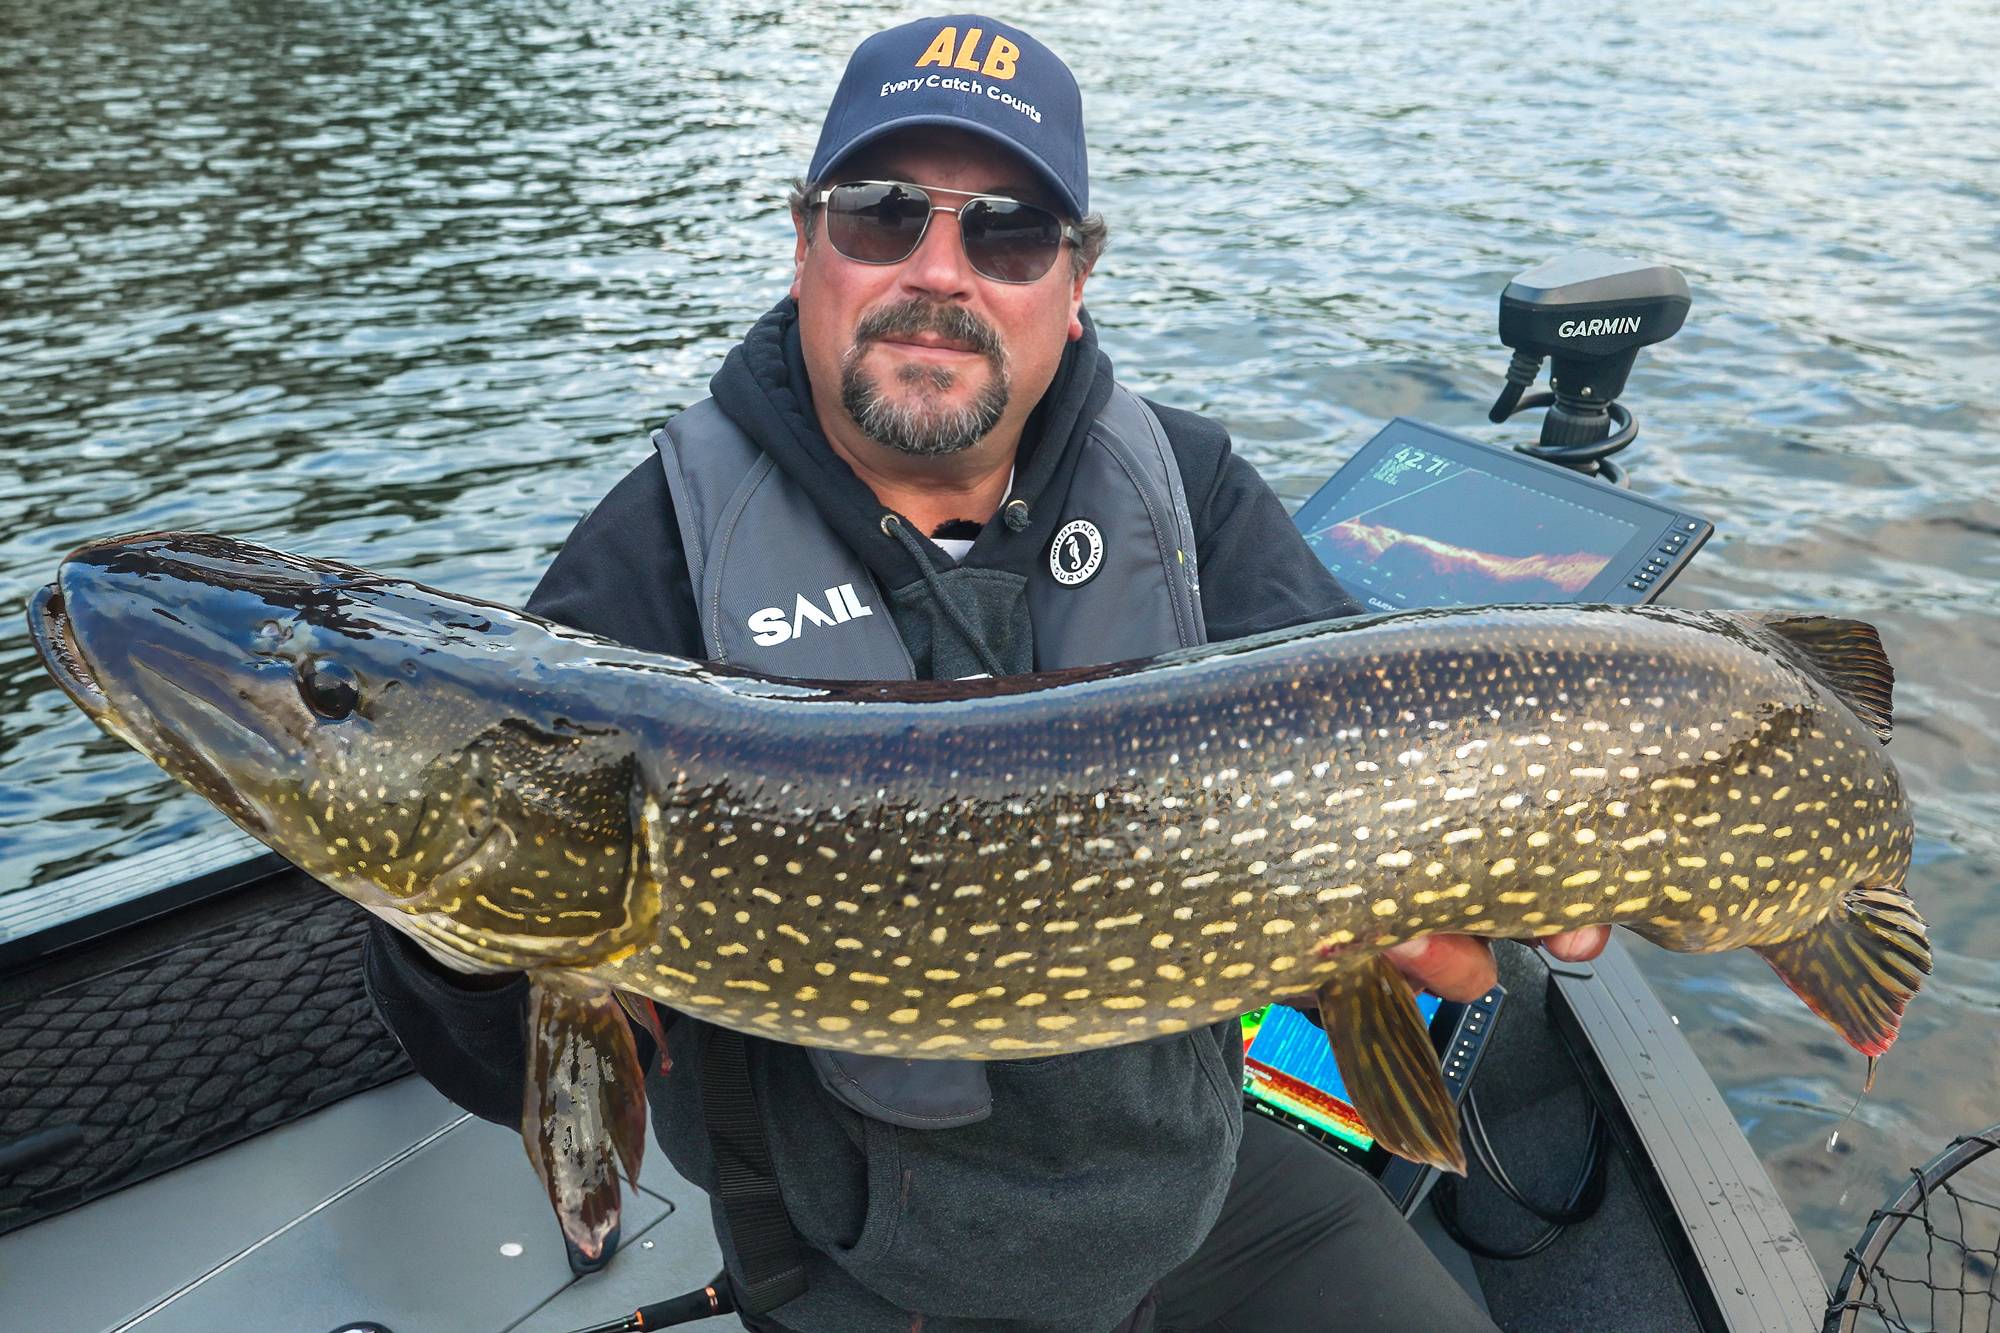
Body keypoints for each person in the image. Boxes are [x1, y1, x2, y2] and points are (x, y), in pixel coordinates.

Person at [362, 15, 1607, 1332]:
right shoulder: (659, 556)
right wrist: (463, 936)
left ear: (1073, 288)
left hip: (1191, 1188)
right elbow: (499, 1046)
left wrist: (1490, 870)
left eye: (1006, 229)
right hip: (870, 1261)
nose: (938, 269)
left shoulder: (1189, 493)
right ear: (807, 250)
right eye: (882, 214)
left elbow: (1366, 779)